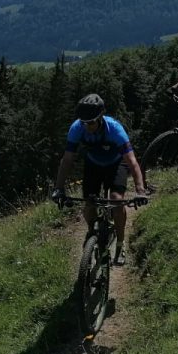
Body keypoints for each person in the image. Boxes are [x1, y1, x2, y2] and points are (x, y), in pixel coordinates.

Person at [50, 94, 148, 266]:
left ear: (101, 117)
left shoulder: (115, 129)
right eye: (84, 123)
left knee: (116, 201)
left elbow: (132, 161)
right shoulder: (77, 128)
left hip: (116, 164)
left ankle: (120, 244)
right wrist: (59, 188)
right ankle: (92, 234)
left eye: (91, 123)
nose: (87, 126)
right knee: (90, 203)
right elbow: (67, 160)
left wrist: (140, 190)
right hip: (94, 164)